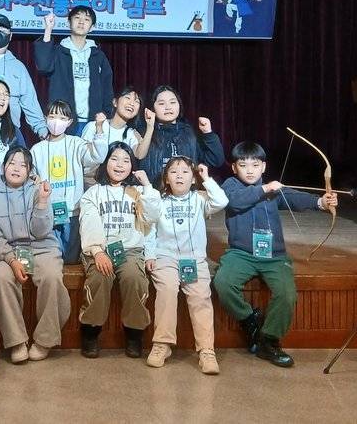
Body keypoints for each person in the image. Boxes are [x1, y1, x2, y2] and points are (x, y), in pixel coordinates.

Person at [212, 141, 337, 368]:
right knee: (223, 283)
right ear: (234, 168)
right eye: (243, 165)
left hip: (274, 256)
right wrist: (264, 189)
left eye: (255, 165)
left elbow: (293, 197)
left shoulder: (271, 189)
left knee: (287, 293)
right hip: (241, 253)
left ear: (263, 166)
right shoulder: (231, 186)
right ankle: (249, 318)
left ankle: (269, 340)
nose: (250, 170)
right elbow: (235, 202)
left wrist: (321, 201)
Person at [0, 146, 71, 364]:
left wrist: (42, 201)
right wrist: (11, 260)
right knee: (1, 278)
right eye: (12, 163)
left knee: (51, 276)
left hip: (42, 247)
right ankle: (17, 341)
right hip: (10, 251)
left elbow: (41, 231)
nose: (16, 168)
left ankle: (45, 340)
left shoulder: (38, 191)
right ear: (3, 168)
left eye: (23, 165)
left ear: (30, 171)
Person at [77, 142, 162, 359]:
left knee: (134, 278)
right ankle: (90, 332)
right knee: (100, 276)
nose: (119, 165)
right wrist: (97, 252)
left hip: (131, 249)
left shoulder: (138, 192)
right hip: (99, 249)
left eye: (126, 160)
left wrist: (147, 186)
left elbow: (152, 218)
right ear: (106, 162)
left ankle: (134, 334)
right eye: (114, 159)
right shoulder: (93, 193)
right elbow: (89, 223)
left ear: (132, 166)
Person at [144, 156, 228, 374]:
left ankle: (206, 350)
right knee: (167, 290)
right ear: (166, 179)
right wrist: (150, 255)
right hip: (165, 257)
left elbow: (222, 201)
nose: (179, 176)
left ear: (193, 179)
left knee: (200, 296)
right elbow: (150, 229)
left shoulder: (200, 199)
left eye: (185, 172)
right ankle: (162, 344)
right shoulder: (160, 200)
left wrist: (207, 179)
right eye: (173, 172)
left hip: (194, 259)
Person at [29, 99, 105, 264]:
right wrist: (33, 179)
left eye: (62, 118)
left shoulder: (76, 144)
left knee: (71, 261)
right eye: (52, 116)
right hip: (48, 214)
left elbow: (97, 156)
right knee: (52, 260)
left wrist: (99, 130)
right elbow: (30, 176)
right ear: (45, 118)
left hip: (73, 213)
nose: (56, 121)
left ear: (69, 122)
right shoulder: (36, 149)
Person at [34, 8, 114, 135]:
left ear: (91, 27)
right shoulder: (58, 52)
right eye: (77, 18)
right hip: (63, 120)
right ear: (68, 23)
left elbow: (107, 88)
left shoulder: (98, 56)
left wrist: (106, 114)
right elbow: (43, 65)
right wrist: (48, 29)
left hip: (92, 122)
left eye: (86, 19)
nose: (81, 22)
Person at [141, 84, 224, 183]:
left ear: (179, 105)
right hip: (152, 190)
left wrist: (208, 134)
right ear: (152, 108)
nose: (168, 107)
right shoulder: (145, 133)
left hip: (187, 190)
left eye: (172, 102)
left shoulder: (190, 132)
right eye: (162, 103)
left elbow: (216, 161)